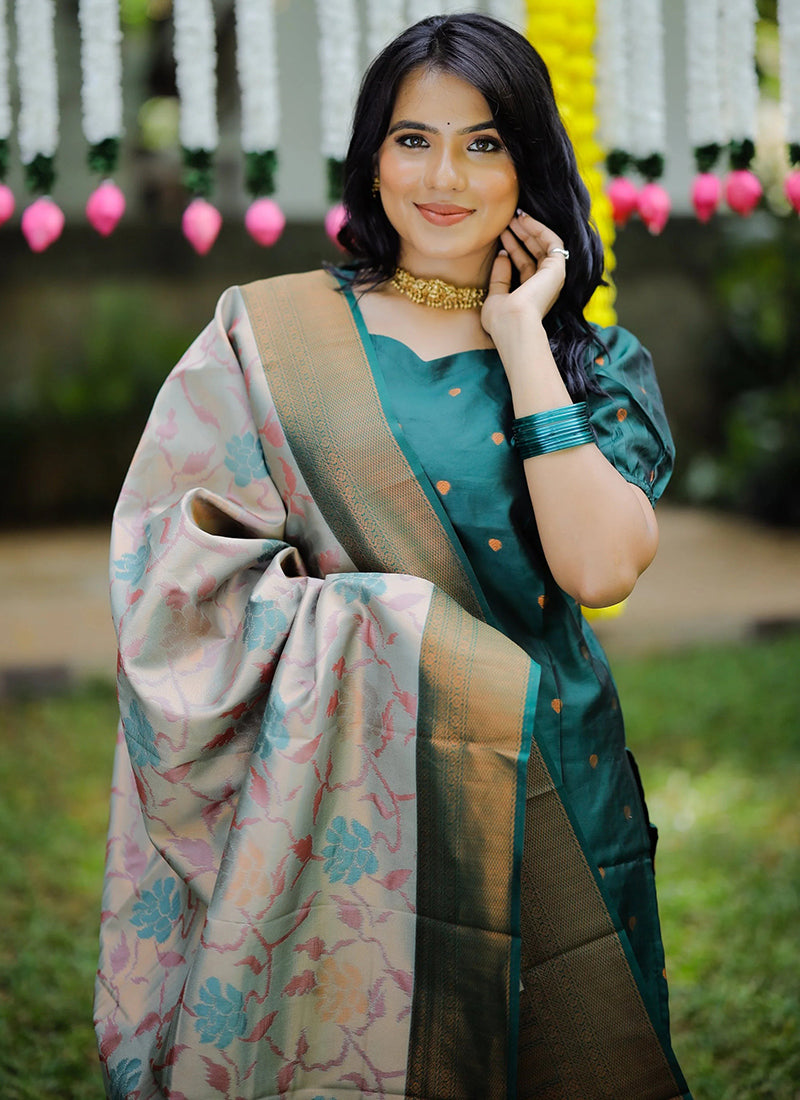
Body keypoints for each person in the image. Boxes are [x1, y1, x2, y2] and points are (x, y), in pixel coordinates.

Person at [95, 13, 691, 1099]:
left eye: (483, 142)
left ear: (529, 164)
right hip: (349, 794)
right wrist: (379, 625)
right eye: (413, 140)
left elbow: (599, 570)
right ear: (372, 158)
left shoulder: (592, 364)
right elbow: (176, 577)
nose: (444, 177)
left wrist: (521, 337)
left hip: (553, 775)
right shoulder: (269, 337)